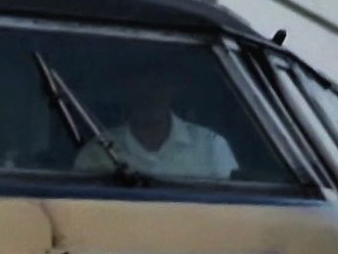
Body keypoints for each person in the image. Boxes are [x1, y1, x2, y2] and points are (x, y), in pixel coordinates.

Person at [73, 74, 237, 182]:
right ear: (126, 91)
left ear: (172, 89)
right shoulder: (96, 152)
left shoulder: (211, 146)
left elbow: (230, 208)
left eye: (157, 85)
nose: (149, 94)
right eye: (140, 86)